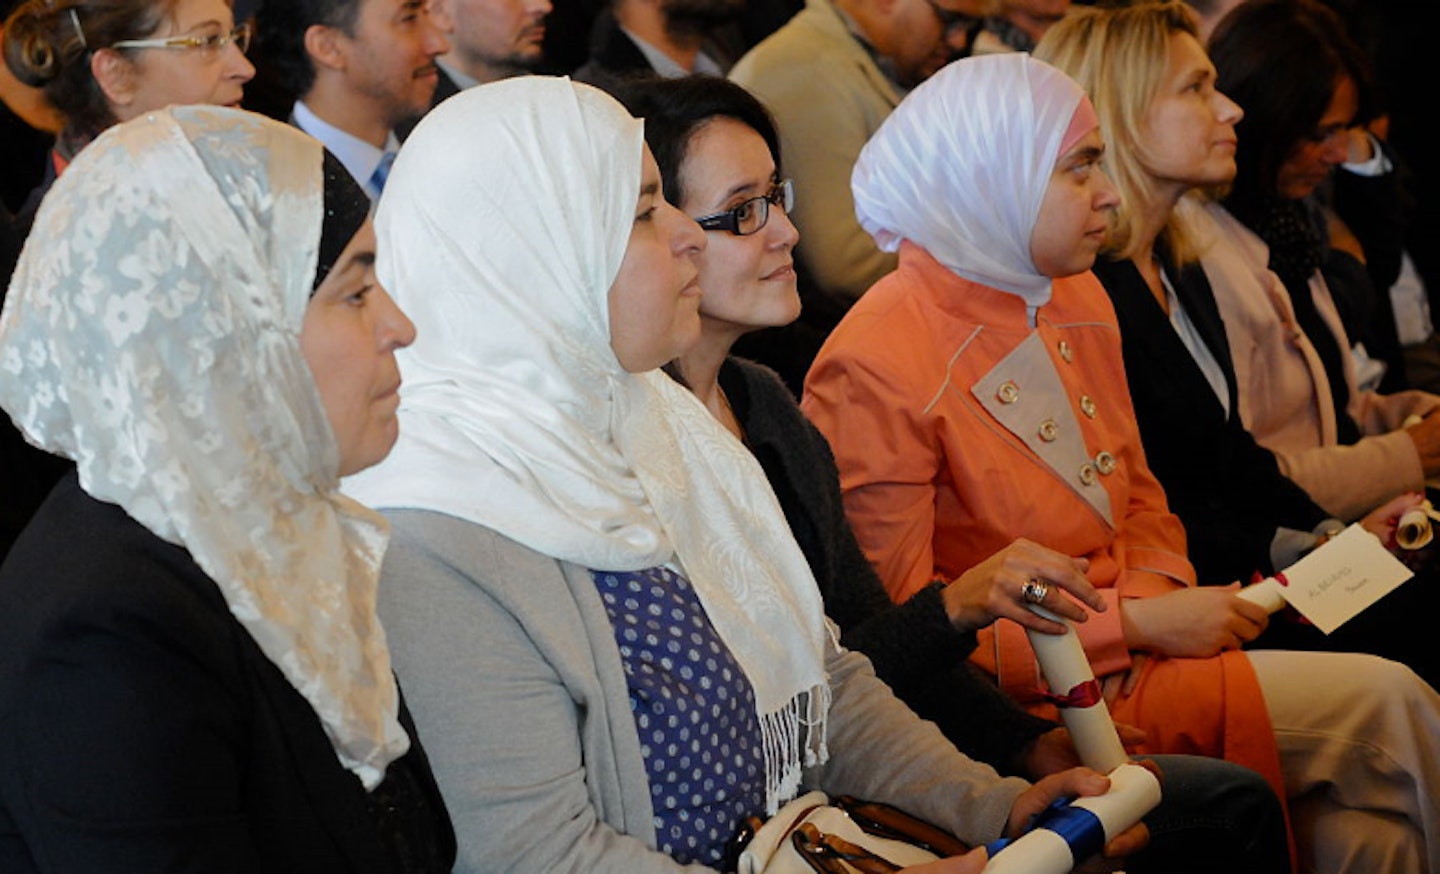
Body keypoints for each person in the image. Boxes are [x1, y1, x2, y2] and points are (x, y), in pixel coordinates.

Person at [342, 74, 1145, 873]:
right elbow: (537, 854)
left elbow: (823, 684)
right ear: (532, 259)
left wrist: (989, 801)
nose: (687, 236)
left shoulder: (664, 423)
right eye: (641, 213)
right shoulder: (434, 531)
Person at [611, 71, 1291, 873]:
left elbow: (854, 654)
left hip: (949, 732)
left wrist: (1022, 747)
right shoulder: (653, 437)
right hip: (798, 810)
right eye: (743, 212)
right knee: (1233, 804)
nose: (787, 234)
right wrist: (981, 629)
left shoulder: (763, 404)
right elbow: (830, 681)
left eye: (778, 198)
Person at [801, 51, 1440, 873]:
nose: (1108, 193)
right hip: (1040, 697)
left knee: (1375, 837)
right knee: (1394, 704)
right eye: (1078, 168)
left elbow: (1139, 497)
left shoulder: (1074, 292)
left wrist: (1155, 601)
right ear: (994, 178)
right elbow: (906, 630)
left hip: (1154, 644)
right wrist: (1130, 626)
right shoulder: (876, 359)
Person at [0, 105, 454, 872]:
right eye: (355, 292)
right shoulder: (108, 628)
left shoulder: (285, 534)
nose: (401, 326)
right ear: (229, 329)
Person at [1033, 0, 1440, 688]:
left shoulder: (1177, 264)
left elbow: (1233, 463)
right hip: (1193, 615)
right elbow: (1174, 503)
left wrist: (1336, 540)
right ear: (1124, 111)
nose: (1231, 110)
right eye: (1196, 89)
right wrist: (1313, 558)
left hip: (1258, 577)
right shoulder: (1088, 290)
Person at [1, 0, 256, 561]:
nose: (244, 66)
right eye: (206, 42)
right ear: (115, 74)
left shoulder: (239, 195)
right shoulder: (55, 257)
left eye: (236, 36)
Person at [1199, 0, 1440, 521]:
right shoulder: (1202, 254)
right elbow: (1244, 476)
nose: (1338, 154)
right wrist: (1408, 452)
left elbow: (1329, 411)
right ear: (1263, 116)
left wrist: (1410, 416)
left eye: (1344, 130)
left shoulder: (1284, 221)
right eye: (1320, 134)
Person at [252, 0, 449, 203]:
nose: (439, 44)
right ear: (329, 47)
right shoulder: (274, 195)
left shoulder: (442, 148)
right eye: (408, 19)